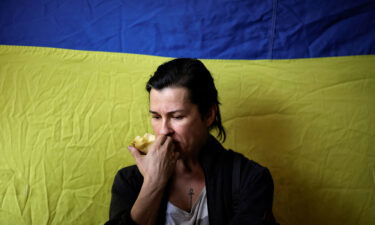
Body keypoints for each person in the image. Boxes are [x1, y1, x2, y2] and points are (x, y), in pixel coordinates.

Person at [105, 58, 278, 225]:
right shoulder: (130, 181)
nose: (164, 130)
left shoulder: (249, 179)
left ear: (209, 115)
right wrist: (153, 184)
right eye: (156, 117)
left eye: (177, 117)